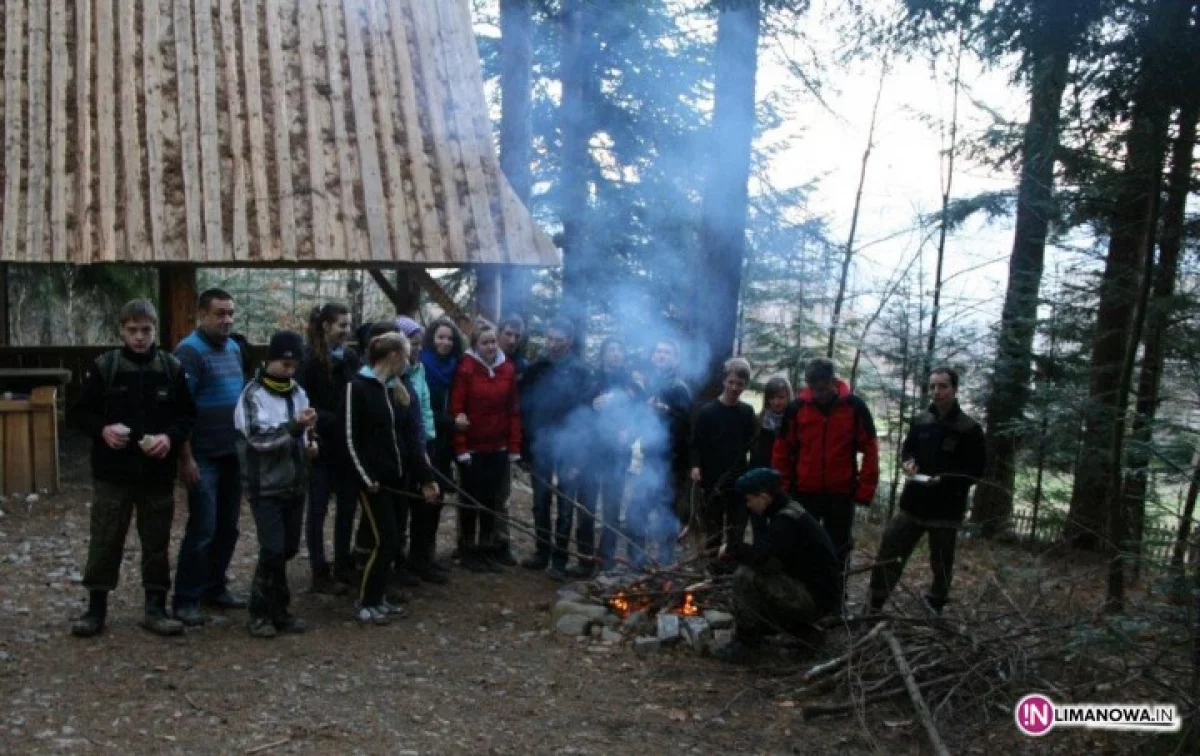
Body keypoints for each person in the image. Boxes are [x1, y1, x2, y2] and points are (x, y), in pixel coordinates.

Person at [68, 300, 195, 638]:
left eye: (146, 330)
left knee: (156, 542)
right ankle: (96, 608)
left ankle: (156, 607)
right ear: (121, 330)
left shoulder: (171, 367)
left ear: (155, 330)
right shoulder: (104, 367)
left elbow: (187, 416)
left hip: (157, 474)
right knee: (106, 539)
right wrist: (103, 430)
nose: (139, 337)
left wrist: (169, 437)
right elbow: (78, 413)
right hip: (113, 474)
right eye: (133, 330)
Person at [868, 367, 986, 614]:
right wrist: (908, 462)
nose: (937, 392)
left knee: (941, 563)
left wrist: (946, 481)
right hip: (913, 503)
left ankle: (935, 606)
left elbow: (975, 470)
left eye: (943, 386)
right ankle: (875, 603)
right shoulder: (921, 421)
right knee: (890, 549)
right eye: (933, 386)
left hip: (946, 510)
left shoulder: (969, 429)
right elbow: (908, 450)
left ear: (955, 389)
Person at [346, 333, 438, 625]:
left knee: (394, 540)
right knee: (385, 541)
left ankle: (379, 598)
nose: (411, 361)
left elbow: (411, 439)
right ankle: (366, 601)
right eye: (408, 355)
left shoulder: (397, 389)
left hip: (398, 479)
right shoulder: (358, 388)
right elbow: (349, 439)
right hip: (374, 483)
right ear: (394, 356)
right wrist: (365, 478)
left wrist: (426, 478)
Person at [771, 357, 879, 601]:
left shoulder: (854, 407)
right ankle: (802, 597)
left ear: (833, 381)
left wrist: (864, 490)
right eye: (812, 387)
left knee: (837, 548)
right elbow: (782, 451)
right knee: (801, 544)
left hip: (840, 494)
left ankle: (835, 599)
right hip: (803, 492)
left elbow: (870, 448)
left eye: (821, 387)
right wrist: (782, 489)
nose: (817, 393)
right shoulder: (797, 408)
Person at [234, 331, 318, 638]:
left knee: (288, 548)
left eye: (294, 364)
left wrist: (311, 441)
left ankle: (279, 610)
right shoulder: (252, 395)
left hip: (295, 483)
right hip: (264, 486)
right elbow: (257, 439)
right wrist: (295, 428)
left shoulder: (298, 392)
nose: (289, 370)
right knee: (272, 549)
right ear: (269, 360)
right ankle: (259, 612)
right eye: (284, 363)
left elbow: (306, 429)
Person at [172, 289, 247, 626]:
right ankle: (186, 598)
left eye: (230, 313)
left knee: (228, 527)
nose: (227, 320)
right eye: (219, 313)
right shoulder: (189, 352)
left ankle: (215, 586)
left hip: (232, 451)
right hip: (203, 455)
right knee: (203, 526)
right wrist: (185, 459)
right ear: (201, 314)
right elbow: (181, 411)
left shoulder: (233, 348)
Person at [716, 468, 843, 662]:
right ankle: (803, 633)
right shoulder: (786, 512)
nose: (748, 505)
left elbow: (762, 560)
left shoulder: (786, 521)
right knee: (758, 585)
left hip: (815, 598)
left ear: (764, 497)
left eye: (750, 499)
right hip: (814, 593)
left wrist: (732, 550)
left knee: (745, 575)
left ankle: (747, 644)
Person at [519, 317, 592, 580]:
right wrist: (525, 445)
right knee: (539, 502)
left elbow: (586, 415)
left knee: (564, 506)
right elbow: (524, 406)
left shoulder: (581, 372)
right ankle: (542, 552)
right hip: (540, 444)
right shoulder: (536, 368)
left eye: (557, 340)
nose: (551, 344)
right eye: (548, 339)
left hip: (569, 446)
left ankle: (559, 560)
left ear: (569, 342)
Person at [297, 303, 360, 595]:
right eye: (342, 326)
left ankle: (344, 564)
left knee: (347, 506)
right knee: (318, 509)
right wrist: (328, 419)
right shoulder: (308, 360)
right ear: (326, 326)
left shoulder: (349, 358)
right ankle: (319, 570)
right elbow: (302, 402)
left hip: (347, 446)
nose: (347, 331)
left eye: (349, 325)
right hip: (321, 444)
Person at [450, 321, 523, 572]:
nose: (491, 346)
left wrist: (513, 447)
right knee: (471, 500)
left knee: (492, 501)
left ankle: (487, 548)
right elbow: (457, 410)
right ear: (475, 346)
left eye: (493, 341)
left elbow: (513, 410)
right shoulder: (466, 369)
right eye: (485, 342)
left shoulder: (508, 369)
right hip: (473, 449)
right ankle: (468, 550)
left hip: (498, 447)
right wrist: (461, 448)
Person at [630, 339, 692, 568]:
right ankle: (637, 562)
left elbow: (685, 426)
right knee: (639, 511)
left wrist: (664, 410)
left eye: (667, 352)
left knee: (666, 515)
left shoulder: (678, 387)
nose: (661, 355)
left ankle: (665, 564)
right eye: (658, 351)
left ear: (675, 359)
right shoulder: (651, 383)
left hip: (671, 463)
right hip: (650, 459)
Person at [395, 316, 446, 585]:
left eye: (418, 344)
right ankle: (401, 563)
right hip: (409, 449)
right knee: (406, 506)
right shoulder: (397, 375)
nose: (417, 349)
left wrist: (429, 440)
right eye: (412, 344)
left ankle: (422, 557)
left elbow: (424, 408)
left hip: (427, 442)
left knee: (430, 504)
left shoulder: (419, 368)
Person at [587, 338, 644, 574]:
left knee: (612, 508)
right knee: (588, 507)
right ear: (603, 354)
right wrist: (592, 406)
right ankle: (585, 556)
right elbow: (578, 413)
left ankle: (606, 558)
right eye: (611, 349)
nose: (615, 354)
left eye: (620, 349)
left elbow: (641, 417)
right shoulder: (592, 379)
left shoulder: (631, 384)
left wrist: (629, 434)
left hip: (618, 454)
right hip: (592, 451)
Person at [690, 357, 757, 558]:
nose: (735, 388)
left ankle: (731, 567)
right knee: (713, 527)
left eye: (740, 384)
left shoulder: (746, 412)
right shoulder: (708, 412)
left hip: (738, 479)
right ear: (724, 381)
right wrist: (695, 466)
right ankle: (712, 569)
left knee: (736, 528)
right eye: (731, 382)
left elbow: (751, 443)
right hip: (712, 478)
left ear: (745, 385)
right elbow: (696, 444)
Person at [417, 317, 465, 581]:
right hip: (428, 441)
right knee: (425, 499)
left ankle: (429, 555)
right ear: (431, 339)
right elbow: (422, 409)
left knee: (438, 500)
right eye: (440, 337)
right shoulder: (422, 365)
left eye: (449, 338)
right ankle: (418, 557)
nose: (445, 342)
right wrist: (450, 422)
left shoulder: (456, 366)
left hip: (446, 443)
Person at [493, 314, 529, 566]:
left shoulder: (521, 365)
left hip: (506, 437)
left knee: (502, 494)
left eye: (517, 335)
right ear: (498, 333)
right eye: (508, 333)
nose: (512, 339)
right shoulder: (483, 357)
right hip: (478, 436)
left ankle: (500, 542)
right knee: (475, 493)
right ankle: (471, 543)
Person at [748, 375, 793, 544]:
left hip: (783, 485)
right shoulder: (759, 421)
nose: (776, 402)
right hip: (759, 482)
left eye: (781, 397)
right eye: (772, 398)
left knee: (780, 528)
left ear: (788, 397)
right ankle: (760, 563)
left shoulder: (794, 422)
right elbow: (754, 453)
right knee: (758, 527)